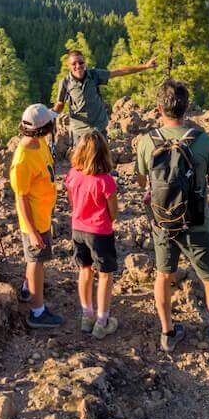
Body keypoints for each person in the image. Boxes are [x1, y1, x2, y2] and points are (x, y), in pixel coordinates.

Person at [135, 79, 209, 365]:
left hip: (162, 221)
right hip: (195, 223)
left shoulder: (147, 141)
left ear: (158, 108)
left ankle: (167, 333)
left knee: (163, 276)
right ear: (187, 107)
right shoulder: (202, 141)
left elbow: (143, 181)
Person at [10, 103, 65, 328]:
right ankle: (37, 312)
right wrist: (32, 232)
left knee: (35, 260)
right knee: (36, 261)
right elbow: (21, 198)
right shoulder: (23, 159)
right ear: (45, 128)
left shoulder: (38, 143)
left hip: (42, 215)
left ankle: (27, 290)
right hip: (34, 220)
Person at [64, 131, 120, 339]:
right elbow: (113, 211)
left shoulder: (72, 175)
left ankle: (87, 316)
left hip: (78, 229)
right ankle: (102, 321)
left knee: (84, 270)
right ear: (103, 154)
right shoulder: (105, 181)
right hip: (99, 231)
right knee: (105, 274)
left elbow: (71, 201)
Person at [53, 50, 158, 144]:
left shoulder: (94, 75)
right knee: (81, 161)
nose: (78, 66)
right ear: (68, 66)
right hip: (79, 129)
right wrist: (50, 115)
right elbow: (60, 104)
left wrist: (145, 66)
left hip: (98, 126)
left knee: (102, 159)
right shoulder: (65, 82)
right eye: (74, 64)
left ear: (85, 63)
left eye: (81, 62)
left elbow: (119, 72)